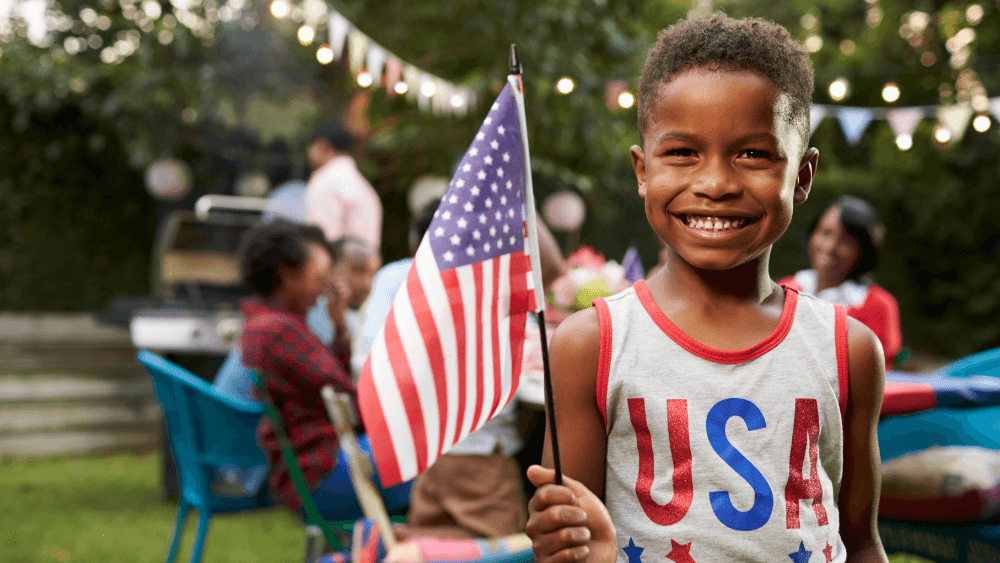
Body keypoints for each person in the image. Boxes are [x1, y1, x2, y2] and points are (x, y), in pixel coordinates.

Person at [525, 14, 887, 563]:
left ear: (803, 176)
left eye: (754, 154)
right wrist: (570, 549)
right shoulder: (590, 345)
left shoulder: (850, 350)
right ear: (642, 170)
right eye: (682, 153)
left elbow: (860, 542)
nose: (715, 183)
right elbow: (577, 547)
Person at [238, 220, 409, 519]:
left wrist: (338, 322)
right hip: (323, 472)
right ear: (287, 276)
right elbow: (350, 406)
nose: (324, 290)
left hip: (309, 473)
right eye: (320, 279)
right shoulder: (280, 330)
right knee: (433, 458)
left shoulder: (264, 323)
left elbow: (328, 386)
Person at [779, 196, 902, 369]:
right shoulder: (784, 289)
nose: (830, 247)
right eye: (825, 233)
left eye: (845, 241)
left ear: (863, 250)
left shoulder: (879, 305)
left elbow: (879, 372)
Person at [305, 120, 383, 250]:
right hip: (366, 265)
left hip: (341, 264)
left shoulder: (325, 181)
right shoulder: (361, 184)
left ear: (322, 146)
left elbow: (321, 238)